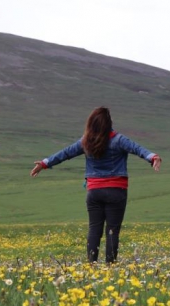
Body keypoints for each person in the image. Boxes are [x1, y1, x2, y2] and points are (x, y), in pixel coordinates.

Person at [30, 107, 162, 264]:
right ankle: (110, 266)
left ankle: (91, 265)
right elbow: (138, 149)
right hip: (116, 191)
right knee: (112, 230)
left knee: (94, 229)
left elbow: (65, 153)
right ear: (109, 123)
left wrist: (45, 163)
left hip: (94, 192)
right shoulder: (119, 140)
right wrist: (152, 157)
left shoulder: (85, 142)